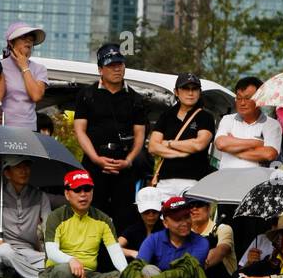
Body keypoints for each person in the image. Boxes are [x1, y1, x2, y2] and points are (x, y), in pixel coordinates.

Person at [73, 43, 146, 231]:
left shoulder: (135, 98)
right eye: (111, 65)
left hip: (123, 163)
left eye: (120, 64)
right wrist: (96, 159)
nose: (117, 69)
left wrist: (129, 160)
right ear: (100, 69)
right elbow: (80, 130)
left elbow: (140, 135)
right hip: (94, 161)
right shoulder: (86, 95)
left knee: (124, 216)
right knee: (91, 213)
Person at [38, 168, 127, 278]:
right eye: (77, 190)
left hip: (89, 275)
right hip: (58, 271)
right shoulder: (56, 216)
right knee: (65, 270)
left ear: (92, 192)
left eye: (87, 189)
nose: (83, 194)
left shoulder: (103, 219)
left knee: (122, 276)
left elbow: (115, 252)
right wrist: (71, 260)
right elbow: (51, 252)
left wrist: (126, 273)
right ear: (67, 194)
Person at [0, 158, 53, 278]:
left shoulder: (40, 196)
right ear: (7, 173)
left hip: (28, 252)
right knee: (5, 251)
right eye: (18, 167)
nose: (24, 171)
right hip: (1, 249)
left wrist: (52, 251)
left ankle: (17, 271)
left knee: (53, 262)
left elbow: (49, 227)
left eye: (27, 166)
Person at [147, 74, 215, 200]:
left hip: (193, 181)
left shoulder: (205, 117)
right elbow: (153, 146)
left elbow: (199, 144)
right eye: (185, 88)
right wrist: (179, 154)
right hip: (165, 181)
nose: (190, 93)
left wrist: (168, 143)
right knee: (164, 218)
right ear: (176, 92)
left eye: (194, 89)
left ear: (199, 92)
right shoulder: (166, 116)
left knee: (190, 218)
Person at [213, 77, 281, 173]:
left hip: (255, 182)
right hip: (226, 179)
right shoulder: (227, 119)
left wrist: (233, 149)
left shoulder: (272, 124)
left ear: (260, 99)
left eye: (248, 98)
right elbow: (220, 143)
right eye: (239, 98)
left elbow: (269, 154)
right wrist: (256, 143)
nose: (242, 103)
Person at [0, 23, 48, 128]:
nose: (28, 41)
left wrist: (24, 67)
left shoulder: (40, 69)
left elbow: (36, 95)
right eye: (23, 37)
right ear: (11, 43)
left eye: (31, 38)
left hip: (29, 129)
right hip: (3, 128)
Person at [187, 198, 237, 278]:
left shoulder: (223, 229)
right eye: (190, 206)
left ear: (209, 208)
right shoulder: (184, 233)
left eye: (199, 204)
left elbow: (221, 250)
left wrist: (195, 265)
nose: (194, 209)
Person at [119, 187, 163, 258]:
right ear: (137, 209)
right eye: (146, 211)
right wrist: (133, 253)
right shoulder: (133, 229)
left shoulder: (167, 229)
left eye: (154, 211)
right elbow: (115, 248)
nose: (151, 215)